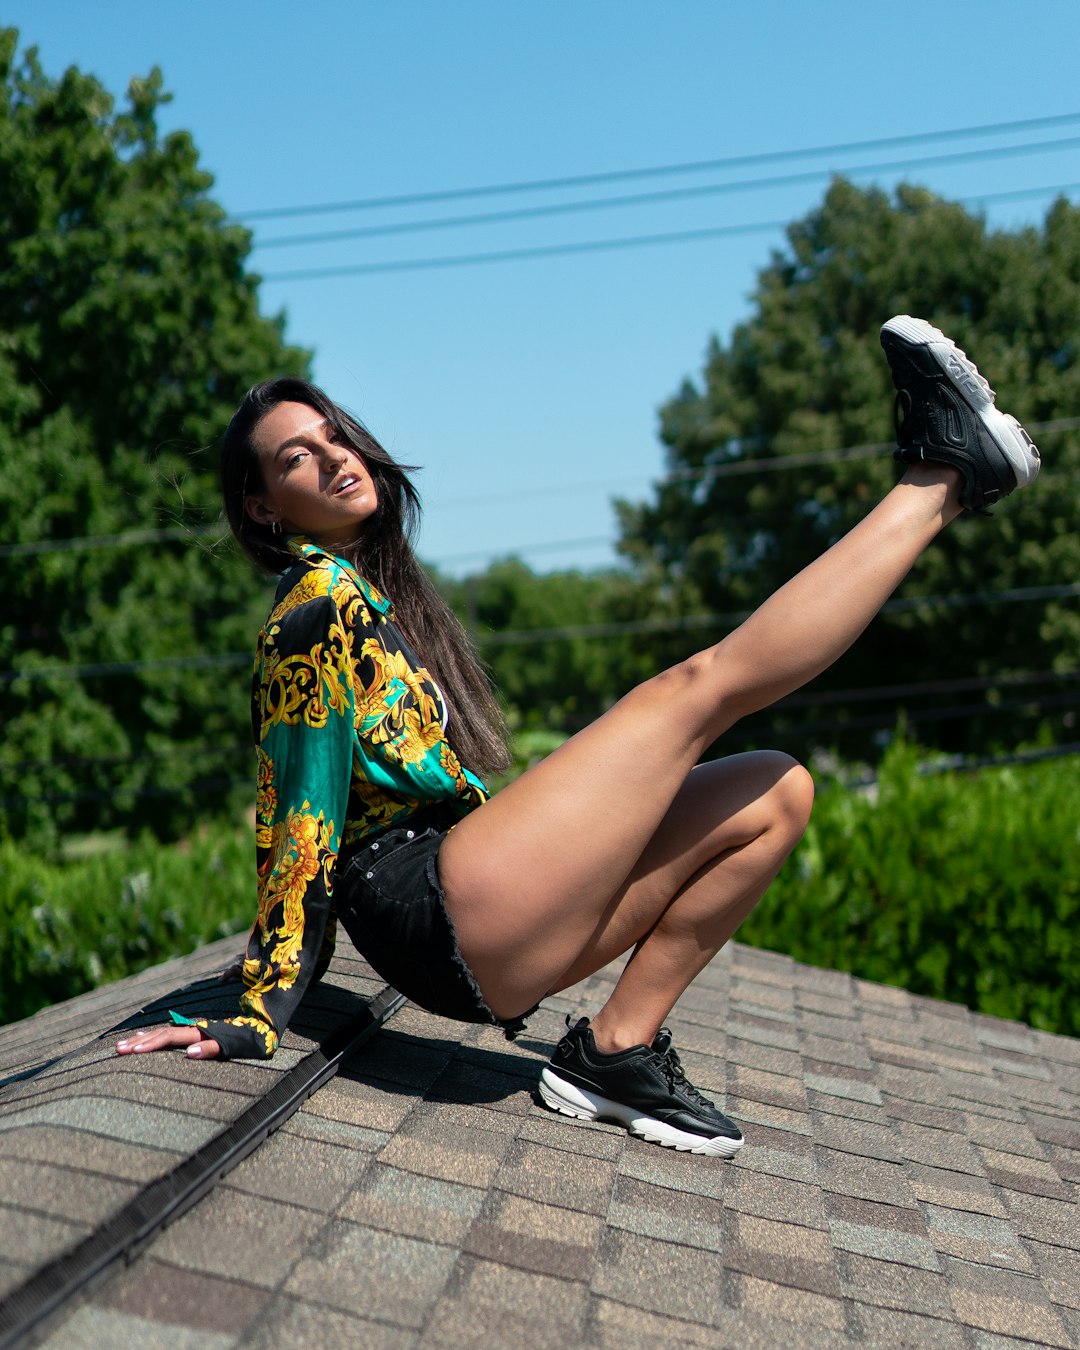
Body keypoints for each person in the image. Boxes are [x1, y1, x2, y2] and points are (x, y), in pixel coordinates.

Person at [117, 316, 1040, 1157]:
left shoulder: (381, 599)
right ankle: (941, 475)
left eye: (332, 434)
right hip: (429, 906)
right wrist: (260, 1005)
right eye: (294, 460)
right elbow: (298, 820)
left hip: (476, 898)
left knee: (774, 793)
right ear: (265, 510)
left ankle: (613, 1053)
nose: (331, 457)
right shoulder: (310, 614)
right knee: (695, 691)